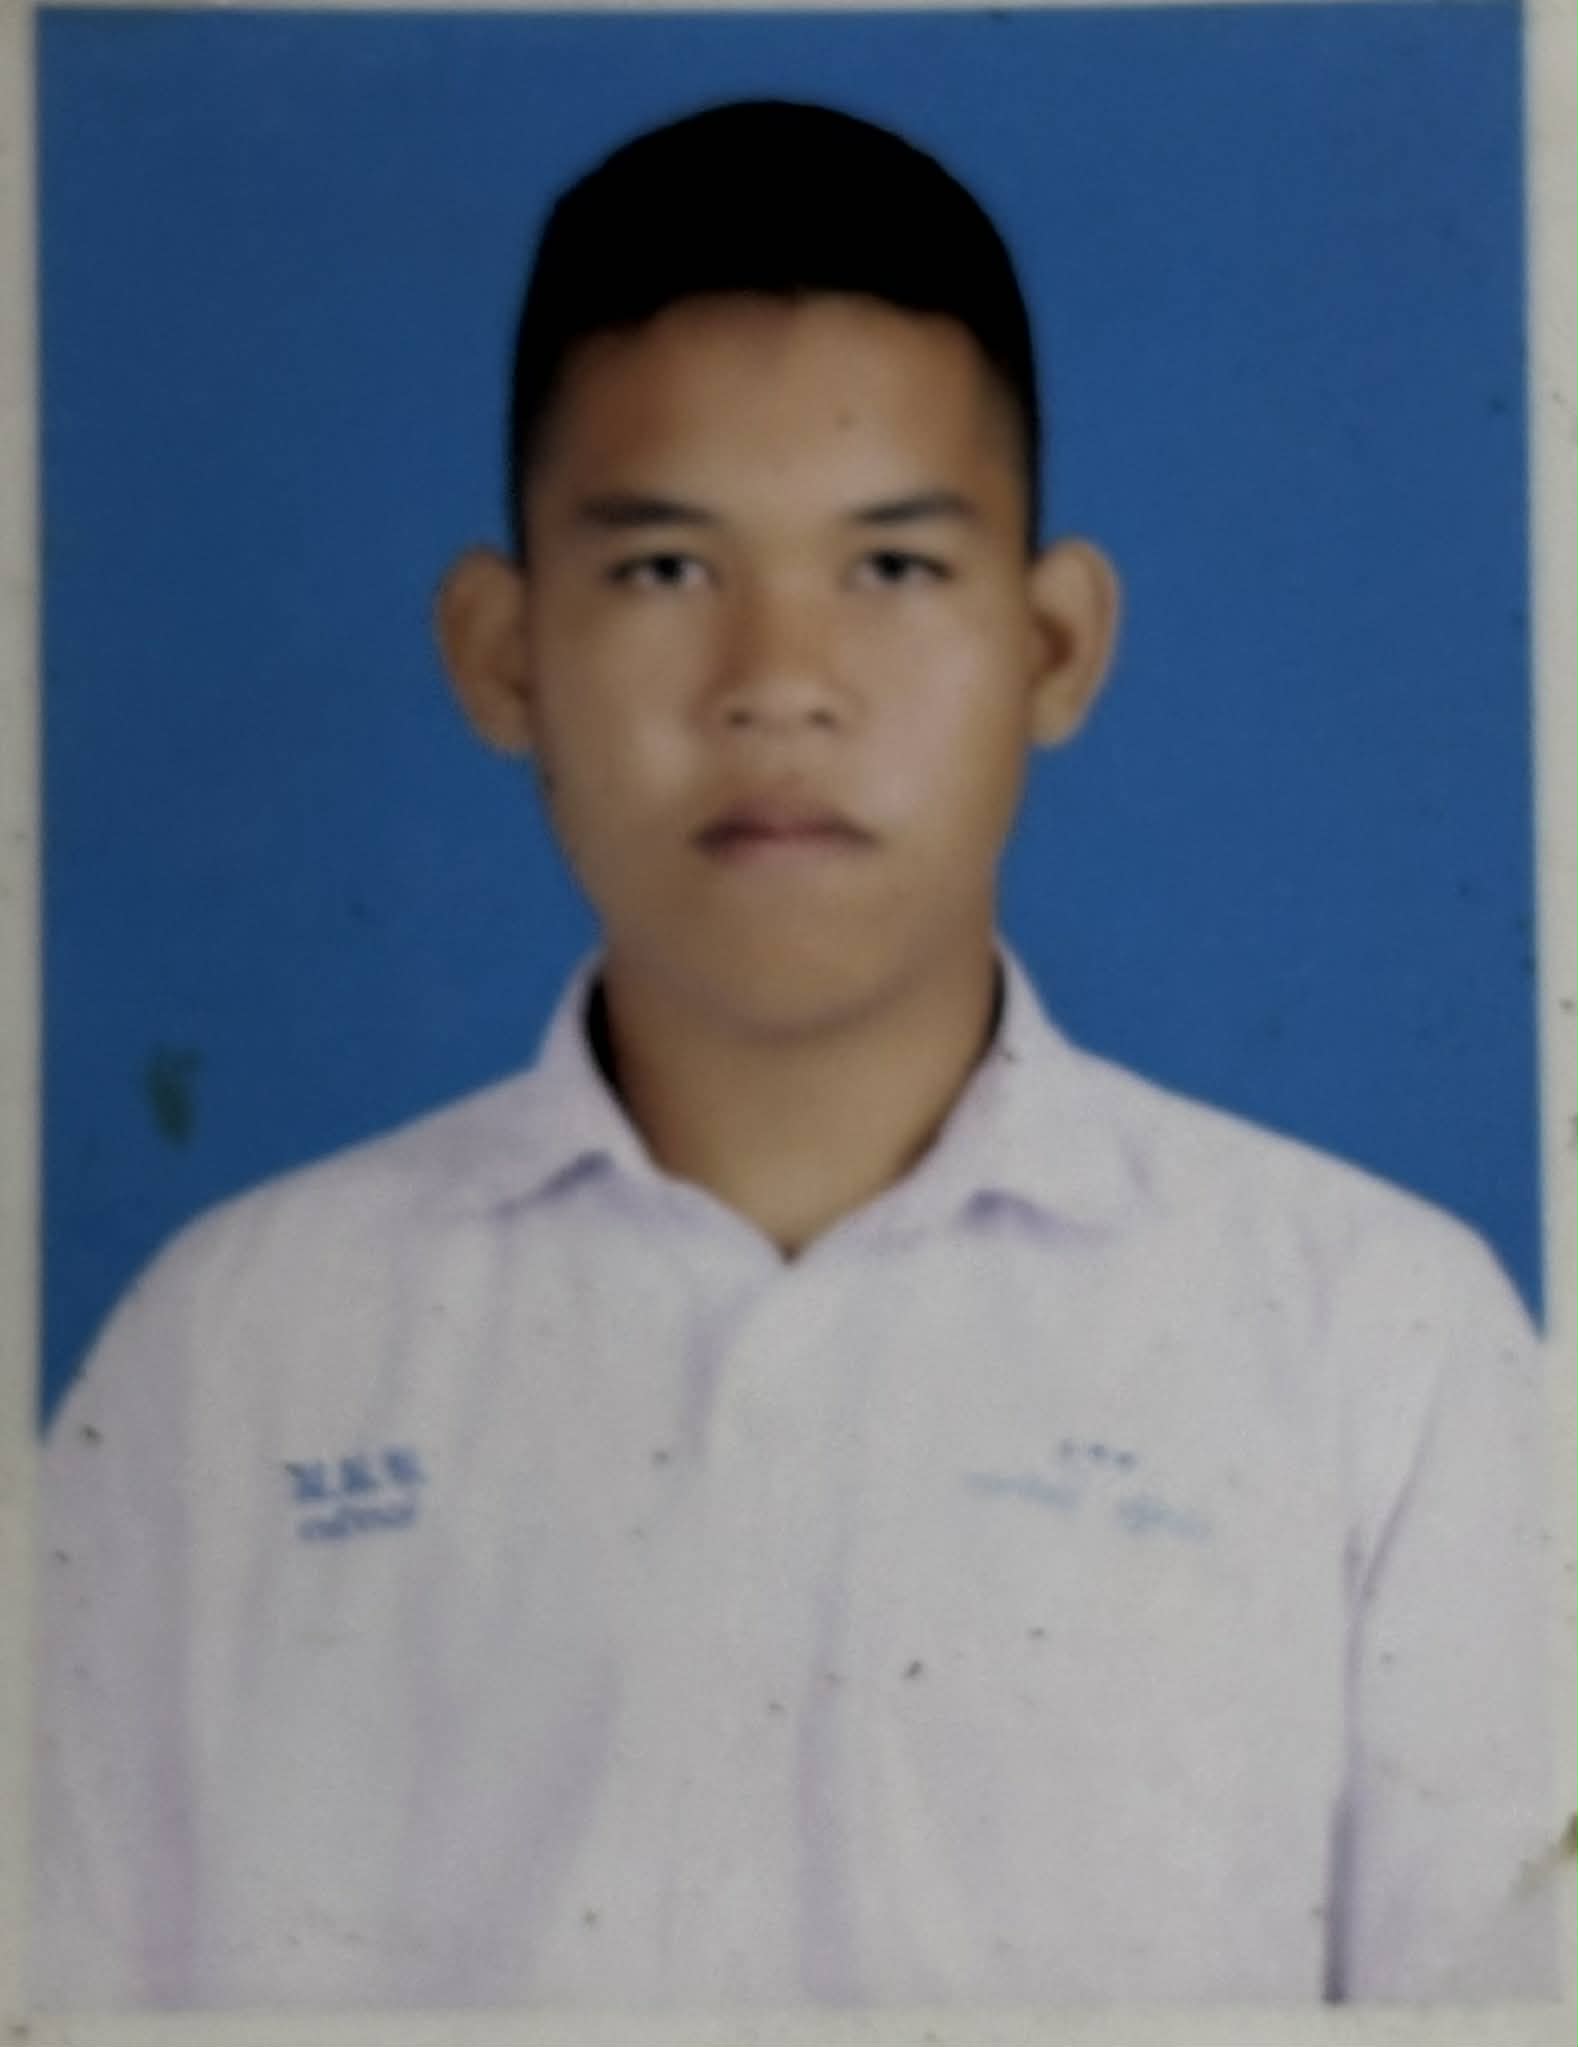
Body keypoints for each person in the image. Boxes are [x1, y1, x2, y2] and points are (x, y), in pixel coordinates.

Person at [32, 99, 1557, 2010]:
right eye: (665, 570)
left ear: (1055, 645)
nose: (777, 683)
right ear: (500, 651)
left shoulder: (1375, 1344)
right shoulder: (233, 1354)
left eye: (892, 569)